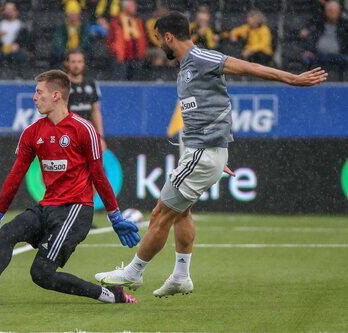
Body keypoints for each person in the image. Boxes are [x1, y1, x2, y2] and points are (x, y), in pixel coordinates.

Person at [95, 11, 327, 298]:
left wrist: (292, 79)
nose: (159, 46)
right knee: (182, 212)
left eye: (159, 39)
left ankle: (133, 272)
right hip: (204, 152)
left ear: (168, 36)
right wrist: (218, 155)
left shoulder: (202, 58)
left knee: (159, 215)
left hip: (203, 154)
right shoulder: (184, 68)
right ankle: (181, 276)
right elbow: (210, 110)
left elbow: (247, 67)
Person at [0, 70, 140, 307]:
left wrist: (115, 217)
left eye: (38, 92)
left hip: (75, 210)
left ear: (56, 95)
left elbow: (99, 176)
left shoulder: (84, 129)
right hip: (47, 207)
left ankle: (111, 296)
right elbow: (15, 176)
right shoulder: (32, 133)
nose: (34, 97)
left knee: (42, 274)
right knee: (7, 232)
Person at [65, 49, 106, 151]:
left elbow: (95, 110)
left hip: (87, 133)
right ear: (67, 63)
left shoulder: (91, 83)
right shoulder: (62, 84)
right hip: (68, 134)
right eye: (73, 62)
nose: (76, 65)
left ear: (84, 64)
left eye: (79, 62)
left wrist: (100, 136)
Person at [301, 0, 348, 80]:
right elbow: (311, 38)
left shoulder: (345, 25)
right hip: (318, 55)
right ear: (325, 11)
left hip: (340, 55)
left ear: (339, 11)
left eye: (335, 10)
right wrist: (309, 50)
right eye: (330, 10)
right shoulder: (318, 23)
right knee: (307, 59)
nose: (332, 13)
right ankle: (313, 83)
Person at [107, 0, 147, 80]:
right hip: (121, 58)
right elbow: (110, 39)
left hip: (136, 57)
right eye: (132, 6)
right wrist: (115, 50)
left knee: (136, 81)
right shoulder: (116, 21)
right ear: (125, 7)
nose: (135, 7)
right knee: (120, 80)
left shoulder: (138, 21)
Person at [0, 1, 31, 68]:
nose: (8, 11)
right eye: (7, 9)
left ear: (17, 12)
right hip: (0, 50)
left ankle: (20, 77)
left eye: (11, 9)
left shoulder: (22, 26)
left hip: (17, 51)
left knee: (23, 55)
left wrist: (18, 45)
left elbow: (26, 40)